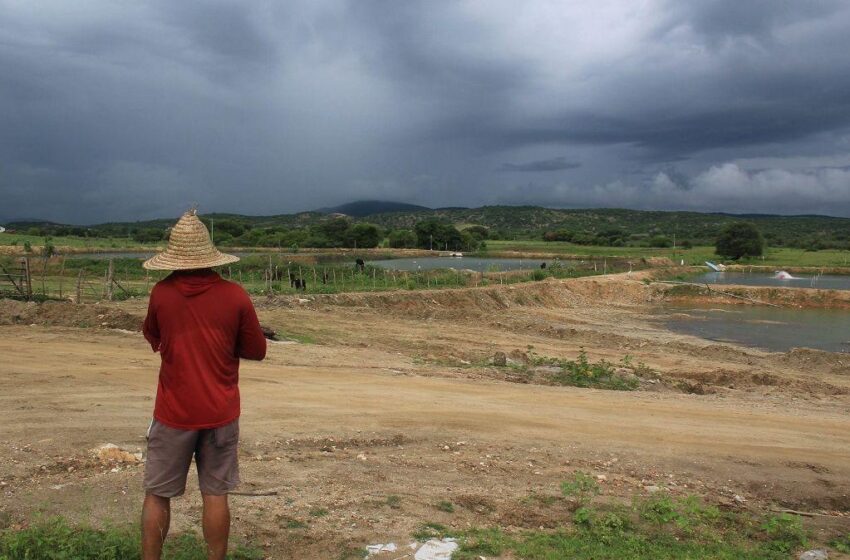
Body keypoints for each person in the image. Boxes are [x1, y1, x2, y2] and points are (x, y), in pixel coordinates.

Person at [140, 210, 267, 560]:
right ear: (211, 256)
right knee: (215, 493)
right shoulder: (235, 296)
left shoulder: (162, 294)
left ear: (174, 258)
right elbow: (257, 350)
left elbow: (153, 335)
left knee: (157, 493)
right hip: (220, 412)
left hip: (172, 413)